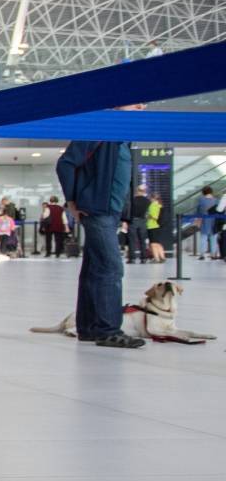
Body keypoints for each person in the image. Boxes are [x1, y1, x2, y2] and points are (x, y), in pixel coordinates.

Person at [56, 116, 145, 348]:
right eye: (136, 102)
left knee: (95, 268)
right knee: (111, 267)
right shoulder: (100, 131)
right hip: (96, 210)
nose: (141, 107)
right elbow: (65, 163)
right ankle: (108, 330)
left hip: (110, 212)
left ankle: (89, 328)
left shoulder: (124, 141)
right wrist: (72, 200)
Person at [129, 185, 152, 262]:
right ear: (144, 191)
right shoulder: (148, 201)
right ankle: (144, 258)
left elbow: (128, 211)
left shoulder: (132, 200)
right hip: (143, 221)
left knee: (132, 240)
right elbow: (149, 213)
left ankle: (132, 258)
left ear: (137, 190)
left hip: (133, 221)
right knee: (142, 240)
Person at [197, 185, 219, 258]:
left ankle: (202, 254)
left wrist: (198, 219)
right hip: (214, 220)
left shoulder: (201, 199)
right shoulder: (216, 200)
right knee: (214, 238)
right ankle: (213, 254)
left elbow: (199, 210)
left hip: (205, 219)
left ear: (203, 192)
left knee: (204, 237)